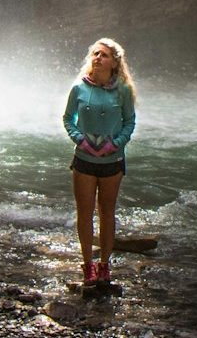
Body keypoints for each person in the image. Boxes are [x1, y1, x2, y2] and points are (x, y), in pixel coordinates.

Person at [62, 37, 136, 286]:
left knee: (107, 213)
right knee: (84, 213)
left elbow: (129, 123)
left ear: (114, 62)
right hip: (83, 159)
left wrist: (115, 144)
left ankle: (104, 265)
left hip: (112, 160)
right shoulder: (79, 88)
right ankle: (87, 265)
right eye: (95, 53)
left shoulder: (123, 90)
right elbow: (67, 119)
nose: (97, 58)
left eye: (103, 55)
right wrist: (80, 140)